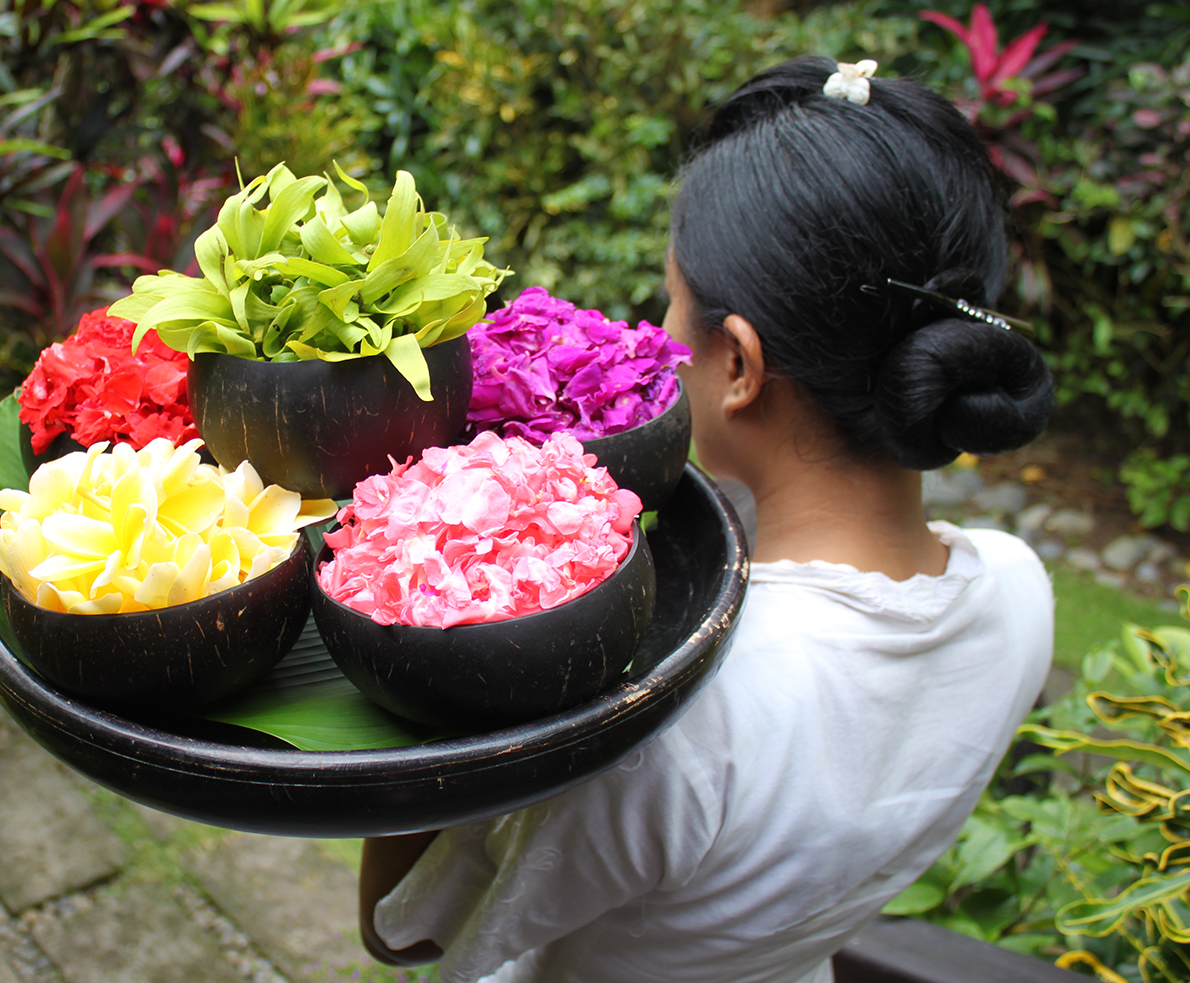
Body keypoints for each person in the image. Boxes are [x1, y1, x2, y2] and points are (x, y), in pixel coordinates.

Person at [355, 56, 1057, 983]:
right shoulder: (1018, 591)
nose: (658, 333)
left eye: (672, 303)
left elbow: (404, 930)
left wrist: (437, 634)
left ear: (737, 364)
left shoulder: (681, 714)